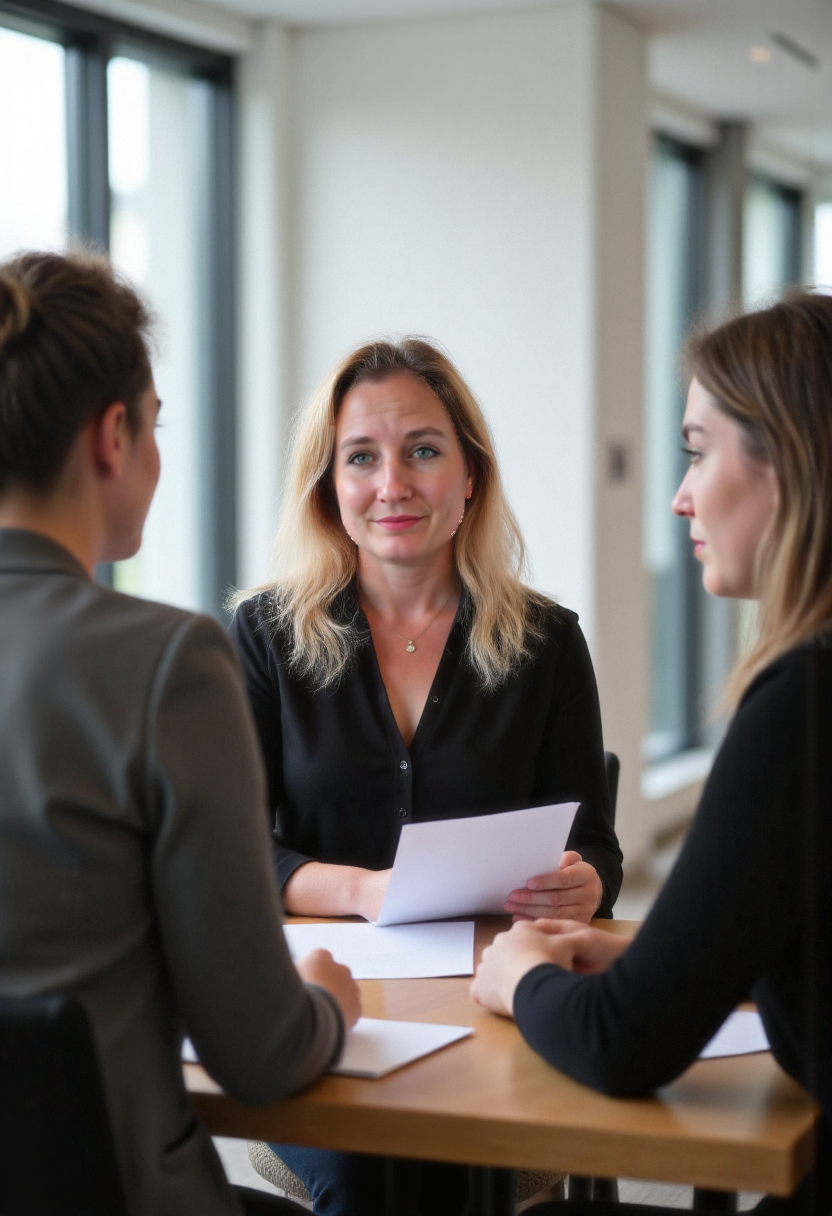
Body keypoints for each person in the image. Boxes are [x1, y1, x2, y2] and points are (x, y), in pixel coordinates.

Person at [0, 250, 361, 1216]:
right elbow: (261, 1055)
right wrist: (331, 999)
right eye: (156, 426)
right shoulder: (165, 664)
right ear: (111, 436)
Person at [230, 337, 623, 1214]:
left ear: (470, 475)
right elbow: (235, 853)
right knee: (382, 1168)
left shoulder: (548, 643)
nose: (391, 485)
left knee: (455, 1155)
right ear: (330, 485)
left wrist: (584, 882)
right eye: (361, 457)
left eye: (423, 451)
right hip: (325, 1006)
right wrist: (368, 890)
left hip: (499, 1009)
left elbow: (595, 845)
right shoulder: (263, 637)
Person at [471, 293, 832, 1216]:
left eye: (699, 450)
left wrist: (524, 976)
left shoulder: (800, 706)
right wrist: (660, 961)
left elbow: (623, 1047)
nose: (679, 494)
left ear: (788, 460)